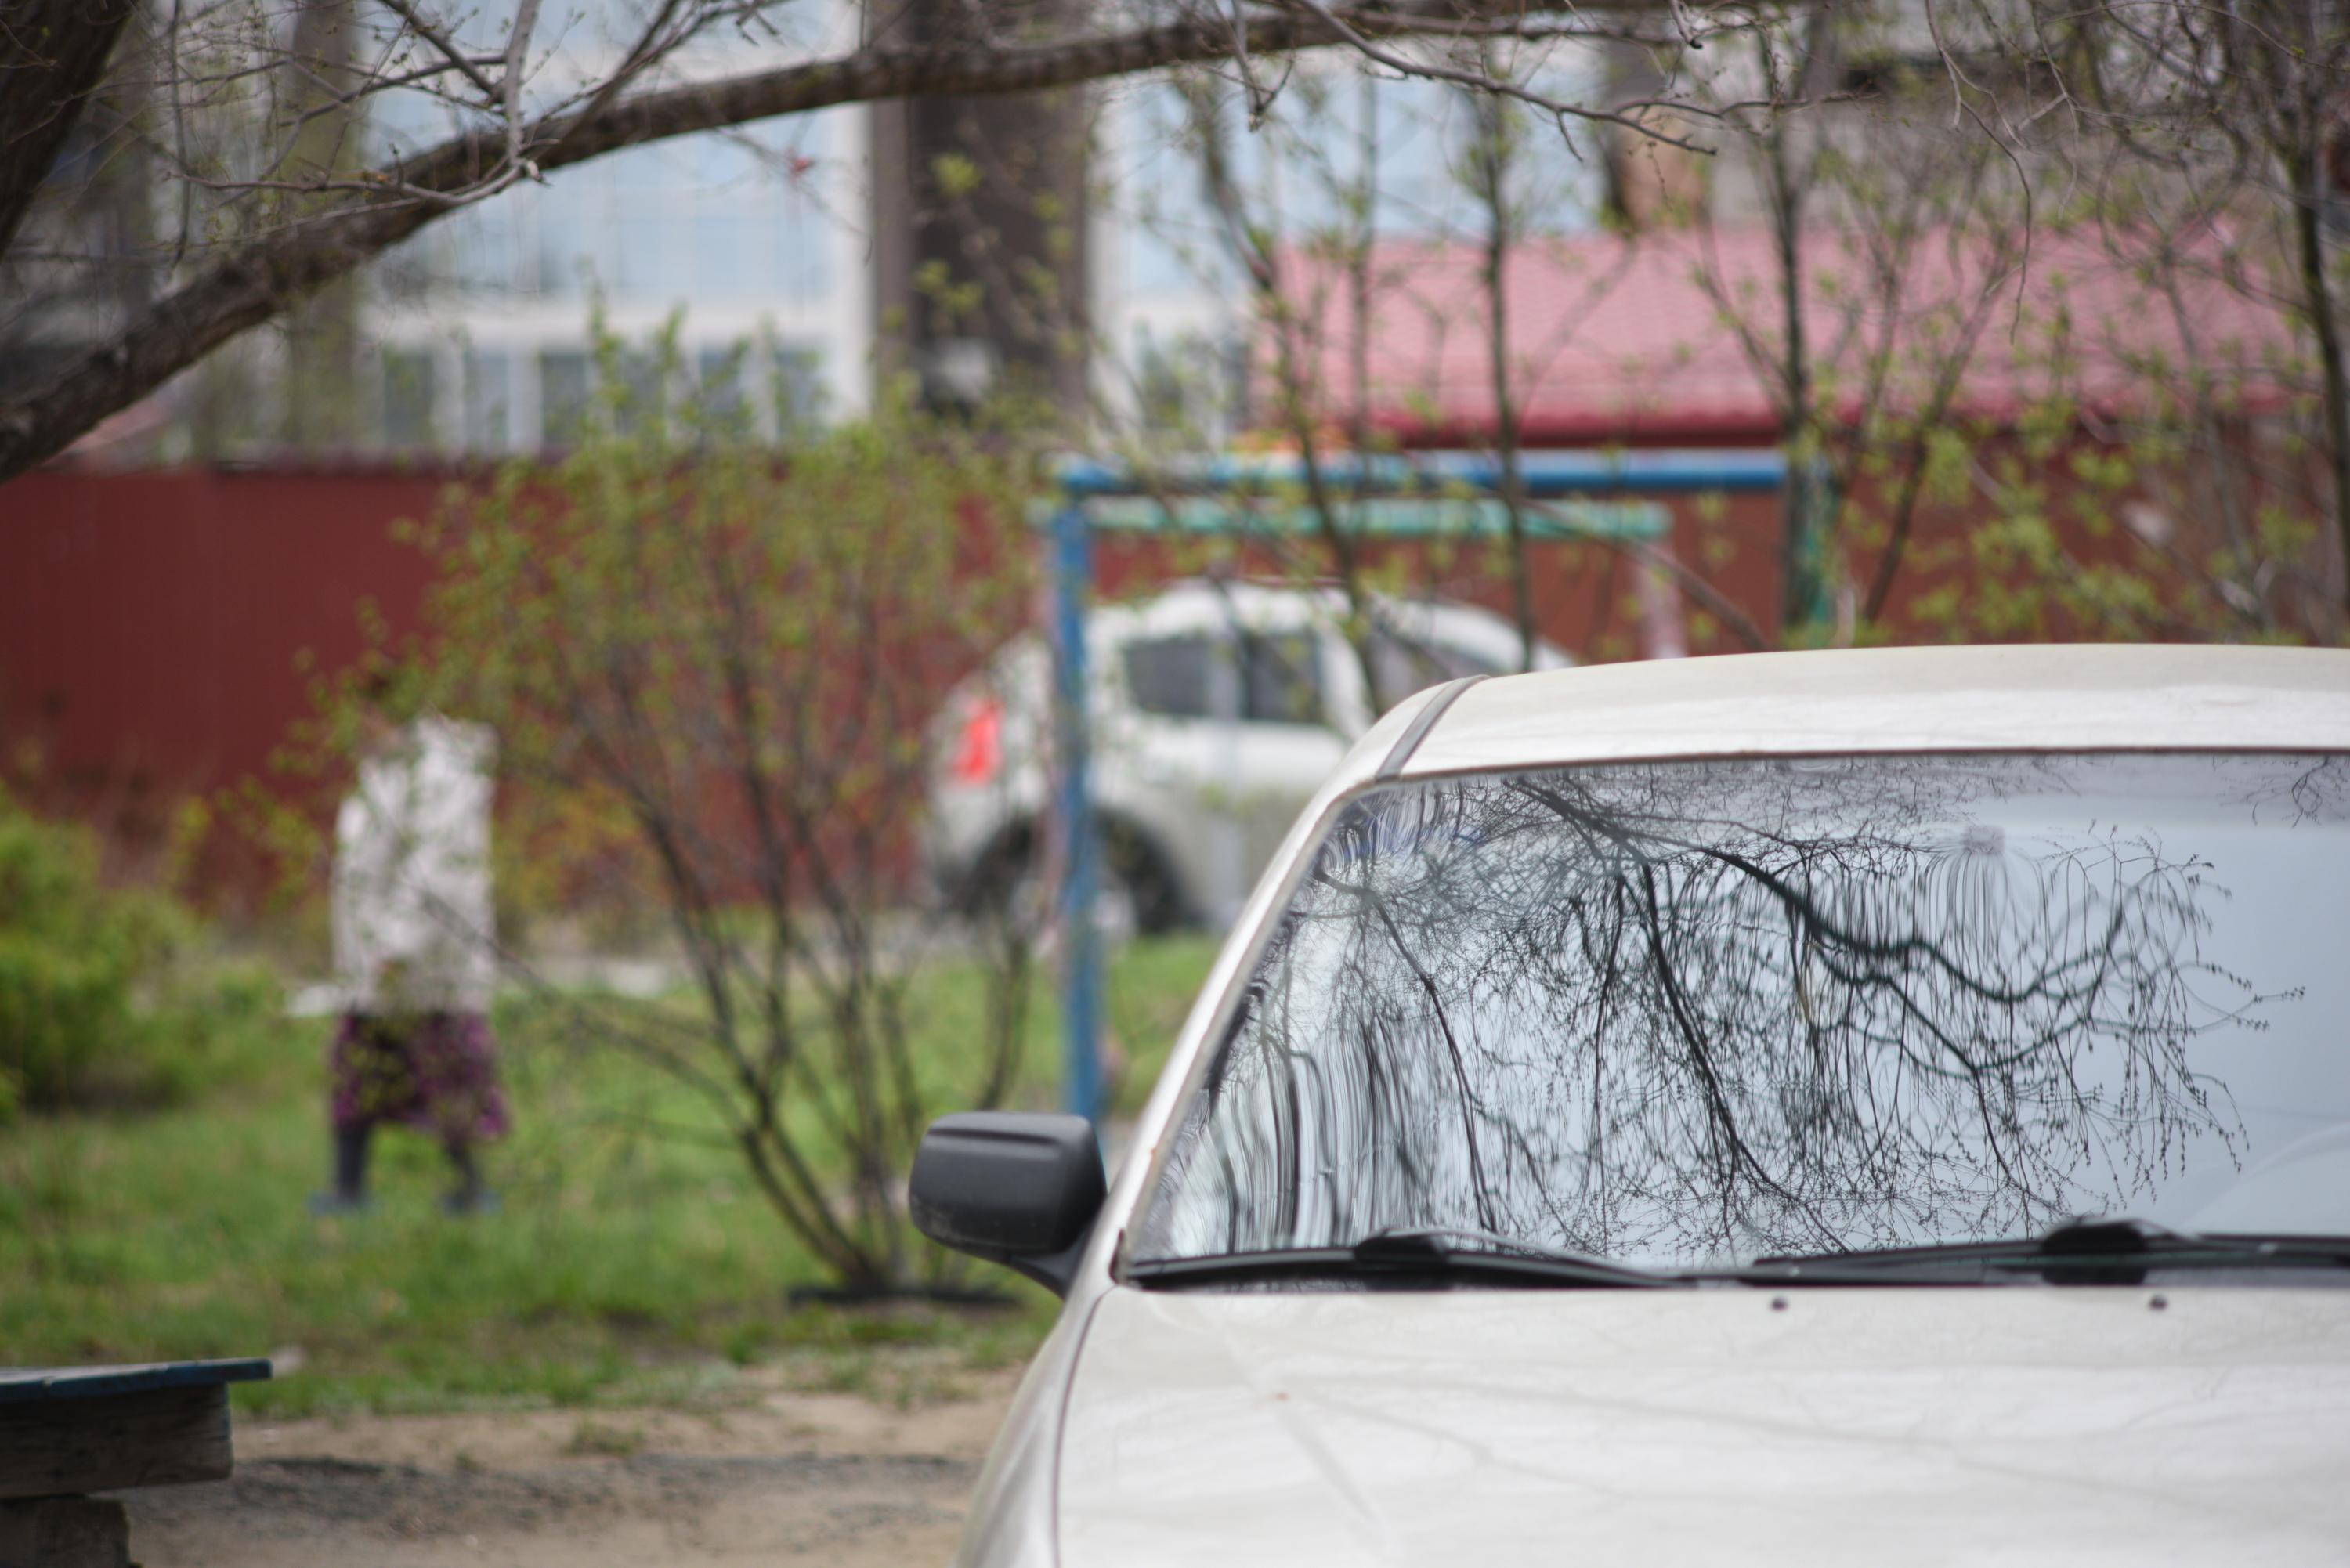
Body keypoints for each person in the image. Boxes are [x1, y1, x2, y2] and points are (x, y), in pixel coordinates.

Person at [314, 696, 508, 1216]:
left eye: (367, 712)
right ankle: (348, 1191)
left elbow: (438, 872)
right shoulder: (385, 772)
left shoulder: (439, 776)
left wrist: (400, 945)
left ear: (393, 713)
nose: (358, 725)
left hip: (424, 964)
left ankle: (468, 1191)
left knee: (446, 1073)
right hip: (379, 963)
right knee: (356, 1070)